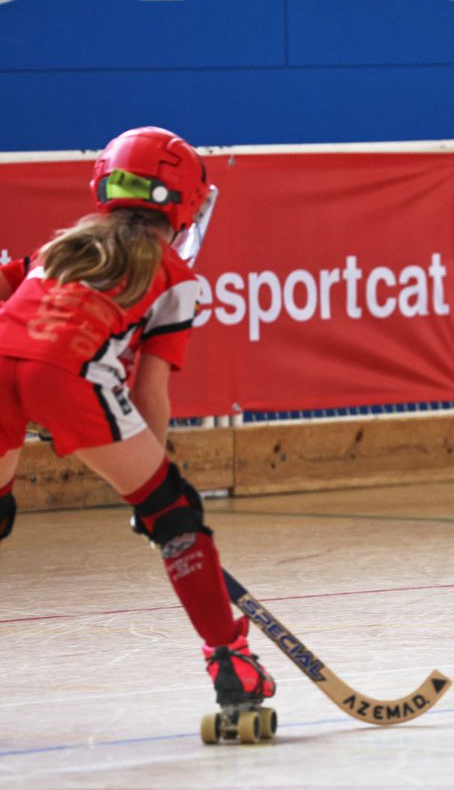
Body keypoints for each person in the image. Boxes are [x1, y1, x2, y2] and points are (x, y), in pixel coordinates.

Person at [0, 127, 276, 722]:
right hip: (68, 378)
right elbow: (150, 392)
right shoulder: (176, 276)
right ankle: (231, 661)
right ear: (184, 201)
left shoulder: (60, 249)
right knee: (176, 515)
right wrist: (152, 494)